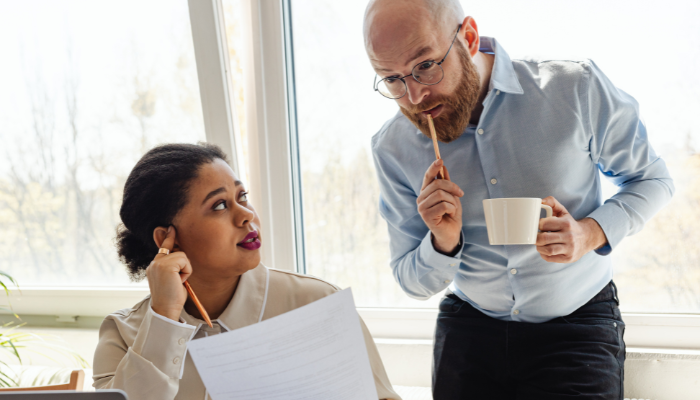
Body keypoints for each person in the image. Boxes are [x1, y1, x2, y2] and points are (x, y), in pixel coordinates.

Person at [363, 0, 674, 399]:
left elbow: (652, 179)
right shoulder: (394, 148)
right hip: (470, 325)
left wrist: (589, 233)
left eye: (425, 65)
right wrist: (443, 242)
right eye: (391, 79)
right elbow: (411, 279)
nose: (415, 95)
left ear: (469, 37)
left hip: (576, 323)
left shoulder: (574, 87)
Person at [92, 143, 401, 400]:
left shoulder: (317, 303)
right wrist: (163, 319)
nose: (246, 215)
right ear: (166, 239)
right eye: (219, 206)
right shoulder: (122, 334)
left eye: (241, 197)